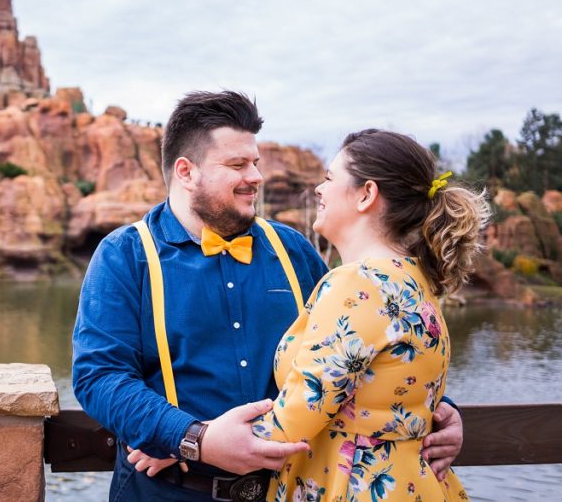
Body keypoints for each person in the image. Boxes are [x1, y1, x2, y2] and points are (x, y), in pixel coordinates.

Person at [72, 92, 465, 501]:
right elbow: (99, 377)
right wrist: (190, 438)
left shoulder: (293, 250)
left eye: (255, 163)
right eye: (238, 165)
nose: (256, 176)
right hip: (167, 492)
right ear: (186, 172)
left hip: (281, 491)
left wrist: (435, 409)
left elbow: (362, 341)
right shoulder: (124, 254)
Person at [247, 129, 487, 501]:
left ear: (366, 194)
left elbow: (294, 418)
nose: (319, 190)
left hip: (353, 487)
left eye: (329, 179)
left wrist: (189, 446)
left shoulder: (357, 284)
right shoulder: (414, 278)